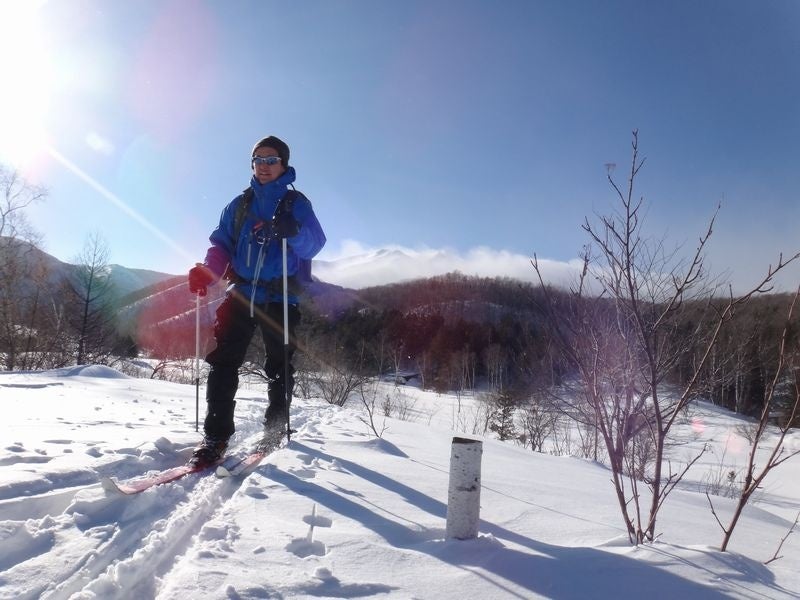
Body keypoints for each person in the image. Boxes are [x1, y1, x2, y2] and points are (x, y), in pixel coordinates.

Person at [187, 135, 326, 466]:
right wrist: (209, 271)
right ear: (252, 164)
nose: (264, 166)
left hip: (281, 296)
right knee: (223, 361)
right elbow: (221, 244)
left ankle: (275, 429)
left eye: (271, 159)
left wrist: (294, 232)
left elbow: (314, 245)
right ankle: (216, 437)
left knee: (279, 365)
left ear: (284, 164)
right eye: (258, 160)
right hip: (243, 291)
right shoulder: (239, 206)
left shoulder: (297, 204)